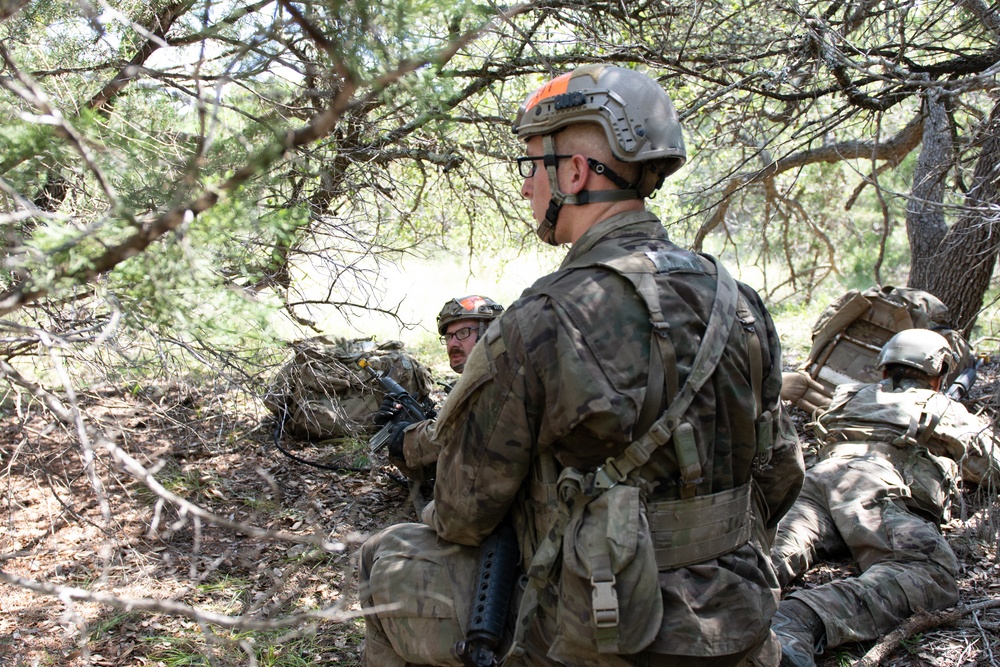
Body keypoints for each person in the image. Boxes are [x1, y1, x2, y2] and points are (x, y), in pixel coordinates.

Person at [358, 64, 803, 667]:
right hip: (739, 627)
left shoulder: (540, 318)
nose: (524, 190)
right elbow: (780, 477)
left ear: (573, 171)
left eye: (530, 167)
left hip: (602, 636)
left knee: (389, 557)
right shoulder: (740, 301)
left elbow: (464, 513)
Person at [770, 328, 1000, 667]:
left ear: (883, 370)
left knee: (770, 553)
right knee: (928, 572)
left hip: (814, 483)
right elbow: (992, 468)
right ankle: (800, 619)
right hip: (874, 491)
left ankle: (713, 609)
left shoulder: (850, 394)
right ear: (938, 377)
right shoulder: (941, 406)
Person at [374, 295, 504, 485]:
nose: (453, 343)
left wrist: (406, 437)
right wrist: (400, 429)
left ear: (490, 333)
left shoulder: (506, 378)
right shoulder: (477, 381)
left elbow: (458, 433)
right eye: (449, 336)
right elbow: (443, 470)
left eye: (463, 333)